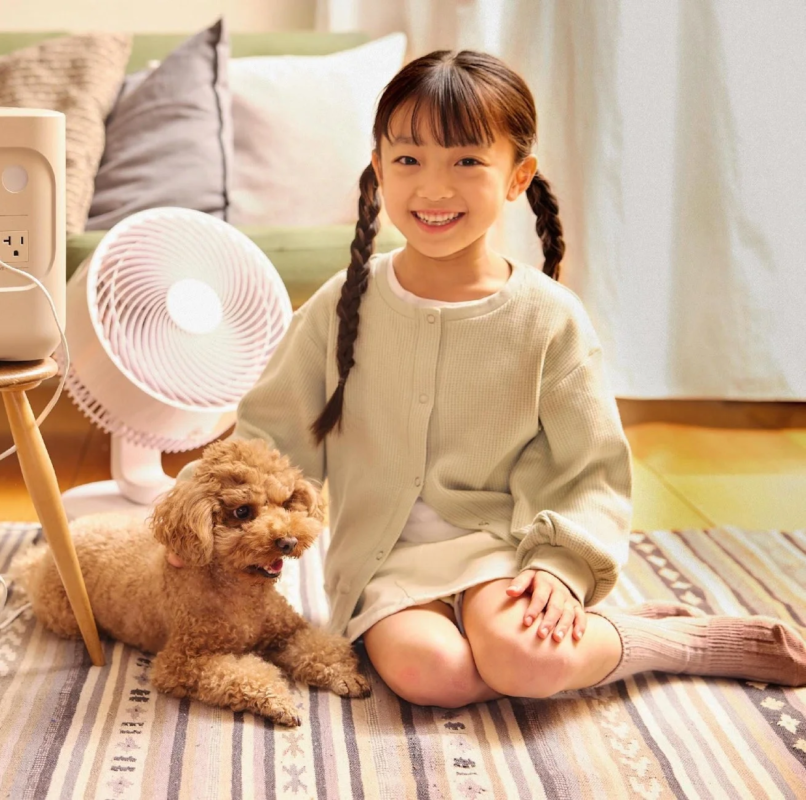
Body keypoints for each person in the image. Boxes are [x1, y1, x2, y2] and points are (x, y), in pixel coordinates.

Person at [169, 49, 806, 707]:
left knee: (523, 661)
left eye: (467, 161)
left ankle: (682, 643)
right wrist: (197, 518)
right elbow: (269, 444)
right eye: (408, 160)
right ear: (379, 170)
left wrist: (559, 566)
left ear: (517, 176)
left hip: (509, 551)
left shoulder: (549, 318)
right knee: (434, 676)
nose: (433, 188)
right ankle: (603, 635)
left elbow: (589, 470)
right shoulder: (340, 304)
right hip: (383, 566)